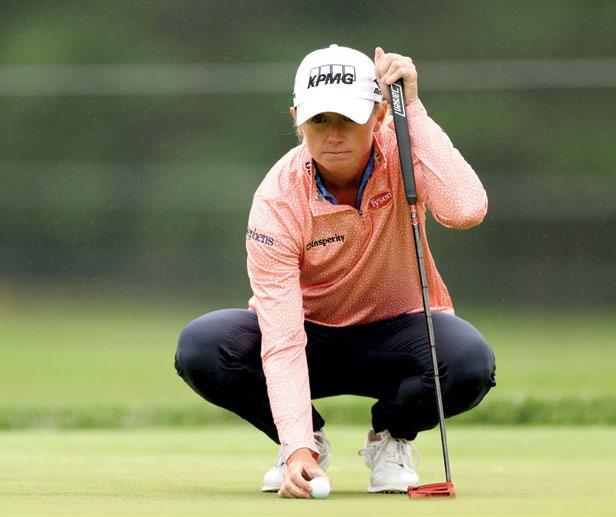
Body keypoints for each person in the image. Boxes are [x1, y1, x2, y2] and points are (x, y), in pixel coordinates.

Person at [174, 44, 496, 498]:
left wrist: (413, 109)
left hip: (396, 335)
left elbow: (466, 209)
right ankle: (308, 445)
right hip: (309, 338)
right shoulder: (278, 199)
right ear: (297, 119)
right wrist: (296, 445)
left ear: (379, 116)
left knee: (469, 361)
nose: (334, 134)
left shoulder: (404, 153)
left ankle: (391, 436)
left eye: (348, 118)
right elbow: (282, 337)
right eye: (319, 120)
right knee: (203, 347)